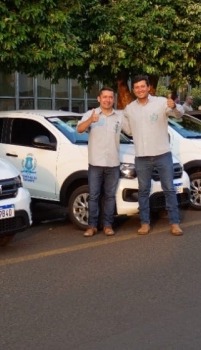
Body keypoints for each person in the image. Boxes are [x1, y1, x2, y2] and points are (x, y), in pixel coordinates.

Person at [121, 75, 184, 236]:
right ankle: (144, 223)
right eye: (137, 87)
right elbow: (128, 131)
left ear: (149, 87)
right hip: (141, 156)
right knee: (143, 190)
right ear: (134, 90)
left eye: (143, 86)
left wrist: (175, 106)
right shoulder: (129, 109)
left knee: (169, 189)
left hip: (162, 154)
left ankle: (174, 223)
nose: (140, 89)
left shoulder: (161, 102)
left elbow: (178, 115)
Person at [76, 87, 124, 237]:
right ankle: (92, 226)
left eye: (110, 97)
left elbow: (130, 131)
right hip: (95, 163)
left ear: (113, 99)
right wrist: (91, 120)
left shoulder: (119, 117)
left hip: (113, 163)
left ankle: (108, 225)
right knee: (94, 195)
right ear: (99, 98)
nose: (108, 100)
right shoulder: (91, 114)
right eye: (105, 97)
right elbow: (79, 129)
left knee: (110, 196)